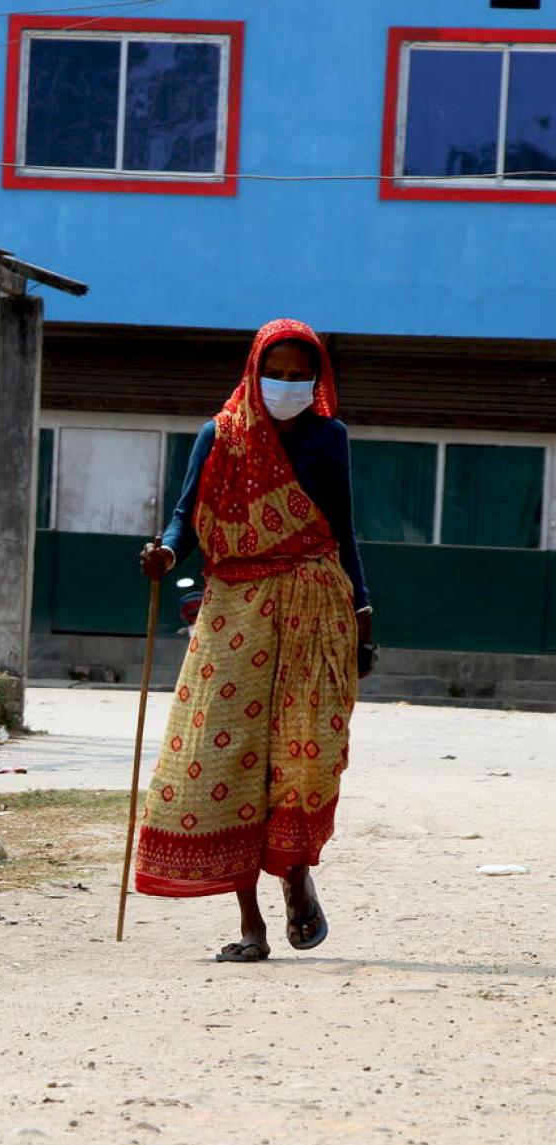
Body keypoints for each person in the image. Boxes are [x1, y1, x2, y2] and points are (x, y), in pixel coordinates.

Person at [135, 318, 373, 962]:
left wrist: (364, 609)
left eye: (302, 376)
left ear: (317, 381)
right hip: (234, 608)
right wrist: (165, 550)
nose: (287, 384)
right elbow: (186, 514)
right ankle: (251, 925)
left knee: (304, 756)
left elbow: (345, 530)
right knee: (224, 758)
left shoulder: (330, 438)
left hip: (314, 606)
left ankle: (295, 877)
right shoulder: (220, 434)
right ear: (254, 370)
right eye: (278, 372)